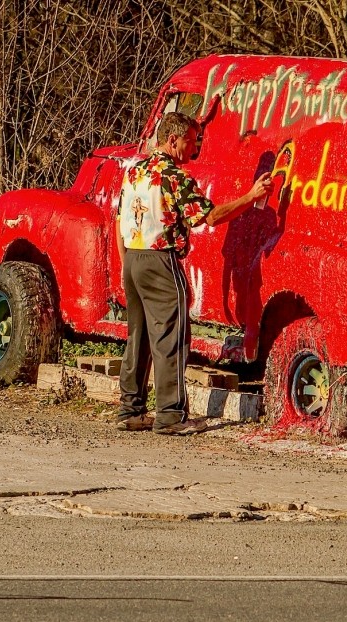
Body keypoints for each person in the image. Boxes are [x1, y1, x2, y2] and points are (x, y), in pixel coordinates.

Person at [115, 112, 273, 435]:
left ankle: (130, 409)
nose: (194, 148)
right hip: (161, 260)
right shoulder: (174, 177)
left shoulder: (133, 172)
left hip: (132, 257)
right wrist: (252, 196)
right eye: (190, 141)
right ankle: (171, 415)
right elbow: (211, 217)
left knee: (138, 335)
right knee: (171, 338)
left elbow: (119, 222)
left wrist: (125, 265)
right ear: (173, 140)